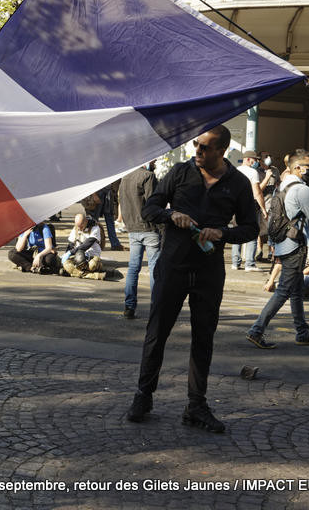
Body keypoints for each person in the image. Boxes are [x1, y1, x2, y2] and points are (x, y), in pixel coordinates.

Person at [126, 125, 258, 433]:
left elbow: (251, 228)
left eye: (204, 148)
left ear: (222, 151)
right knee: (157, 332)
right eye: (196, 145)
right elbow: (150, 208)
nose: (197, 151)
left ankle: (196, 406)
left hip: (210, 270)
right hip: (173, 264)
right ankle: (143, 396)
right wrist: (172, 215)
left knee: (203, 338)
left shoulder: (238, 183)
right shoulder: (179, 173)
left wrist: (223, 232)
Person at [247, 152, 309, 350]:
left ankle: (302, 333)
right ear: (297, 168)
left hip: (283, 244)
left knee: (296, 290)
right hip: (295, 247)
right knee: (285, 290)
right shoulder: (302, 190)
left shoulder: (283, 185)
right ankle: (256, 331)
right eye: (308, 166)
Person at [118, 160, 160, 319]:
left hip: (133, 228)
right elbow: (153, 204)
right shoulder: (148, 176)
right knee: (154, 269)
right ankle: (156, 307)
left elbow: (122, 202)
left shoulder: (125, 177)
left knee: (133, 268)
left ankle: (129, 306)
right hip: (148, 228)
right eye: (154, 160)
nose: (155, 162)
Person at [231, 150, 267, 272]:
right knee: (252, 233)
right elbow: (257, 192)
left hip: (236, 205)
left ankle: (235, 263)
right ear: (247, 159)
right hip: (250, 205)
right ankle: (250, 264)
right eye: (254, 159)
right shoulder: (253, 172)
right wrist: (263, 209)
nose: (256, 162)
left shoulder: (235, 170)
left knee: (237, 232)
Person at [61, 214, 106, 279]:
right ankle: (91, 275)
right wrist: (66, 254)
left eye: (81, 226)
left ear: (86, 221)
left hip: (92, 255)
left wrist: (71, 252)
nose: (79, 228)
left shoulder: (95, 227)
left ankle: (74, 272)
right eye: (78, 226)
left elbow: (87, 244)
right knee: (66, 264)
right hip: (77, 257)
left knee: (92, 265)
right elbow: (71, 244)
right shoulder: (76, 227)